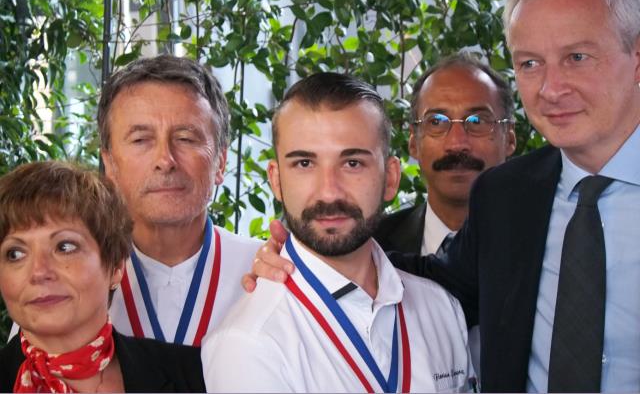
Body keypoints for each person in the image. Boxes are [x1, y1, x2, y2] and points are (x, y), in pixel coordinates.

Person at [245, 0, 640, 391]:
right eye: (530, 63)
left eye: (576, 57)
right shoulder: (508, 195)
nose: (551, 87)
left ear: (637, 58)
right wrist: (303, 261)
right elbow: (429, 282)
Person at [202, 72, 474, 392]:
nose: (329, 192)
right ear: (275, 180)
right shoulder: (248, 343)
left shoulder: (441, 307)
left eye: (353, 163)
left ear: (390, 177)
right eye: (304, 164)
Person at [0, 161, 205, 392]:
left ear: (115, 266)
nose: (38, 272)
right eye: (15, 254)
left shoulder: (197, 374)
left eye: (65, 247)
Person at [98, 55, 261, 346]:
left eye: (185, 138)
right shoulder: (71, 280)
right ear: (109, 164)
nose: (165, 160)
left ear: (220, 162)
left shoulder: (267, 274)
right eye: (141, 140)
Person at [374, 52, 516, 256]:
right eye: (436, 122)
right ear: (413, 142)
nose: (457, 144)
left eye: (476, 121)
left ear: (510, 139)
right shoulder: (372, 247)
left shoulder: (551, 240)